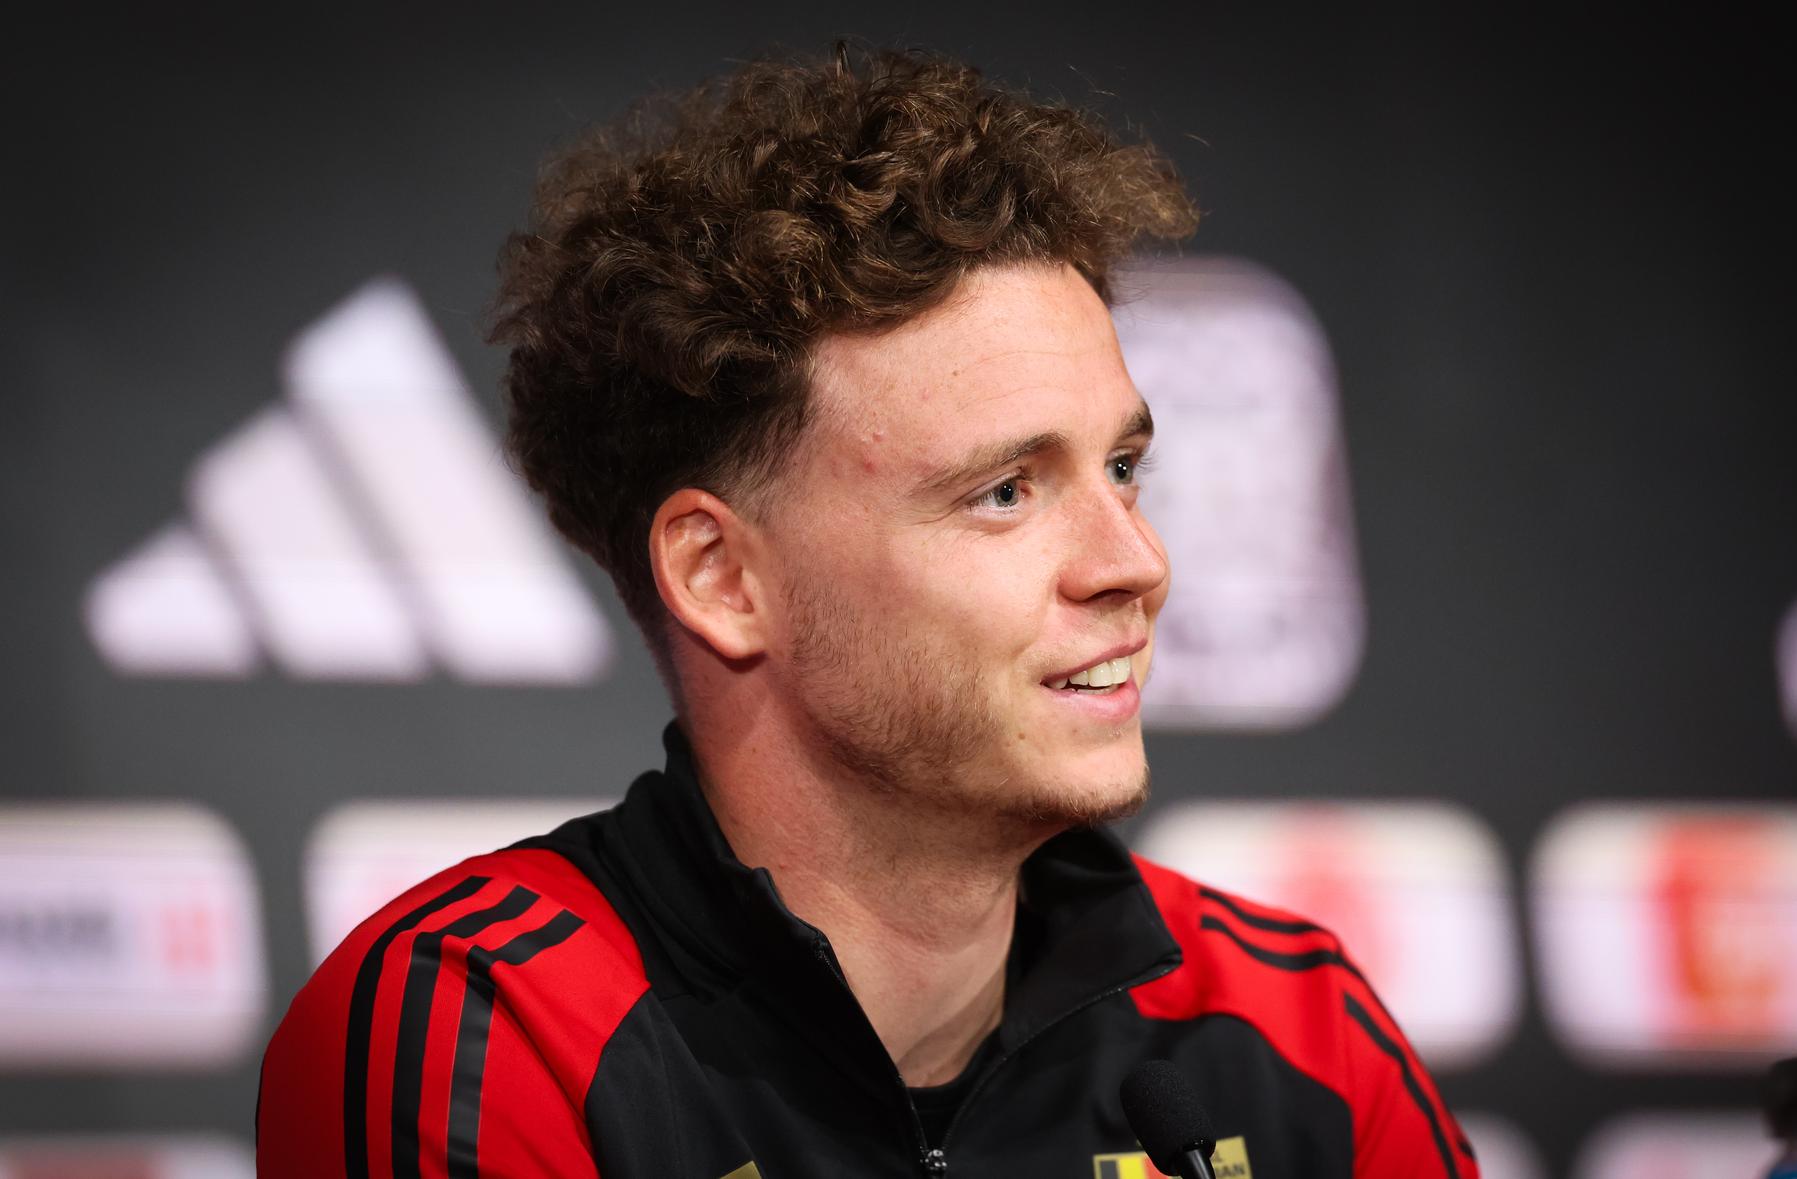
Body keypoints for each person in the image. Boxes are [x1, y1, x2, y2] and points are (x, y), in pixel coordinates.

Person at [257, 43, 1479, 1179]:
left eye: (1120, 469)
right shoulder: (488, 1029)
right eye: (1005, 492)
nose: (1136, 561)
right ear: (722, 579)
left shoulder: (1295, 1029)